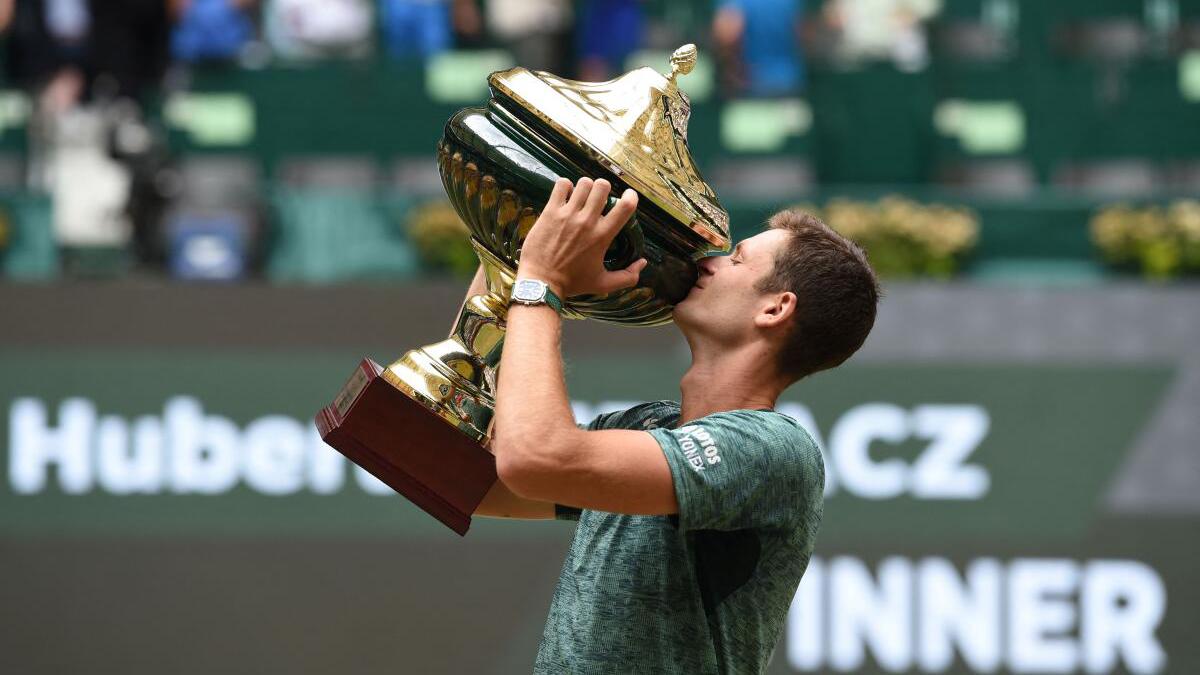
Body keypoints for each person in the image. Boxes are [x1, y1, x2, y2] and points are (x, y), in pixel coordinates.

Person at [465, 176, 880, 673]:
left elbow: (535, 459)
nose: (707, 261)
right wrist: (509, 256)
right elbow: (464, 483)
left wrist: (541, 284)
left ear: (775, 308)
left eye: (736, 258)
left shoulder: (774, 451)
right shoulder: (648, 425)